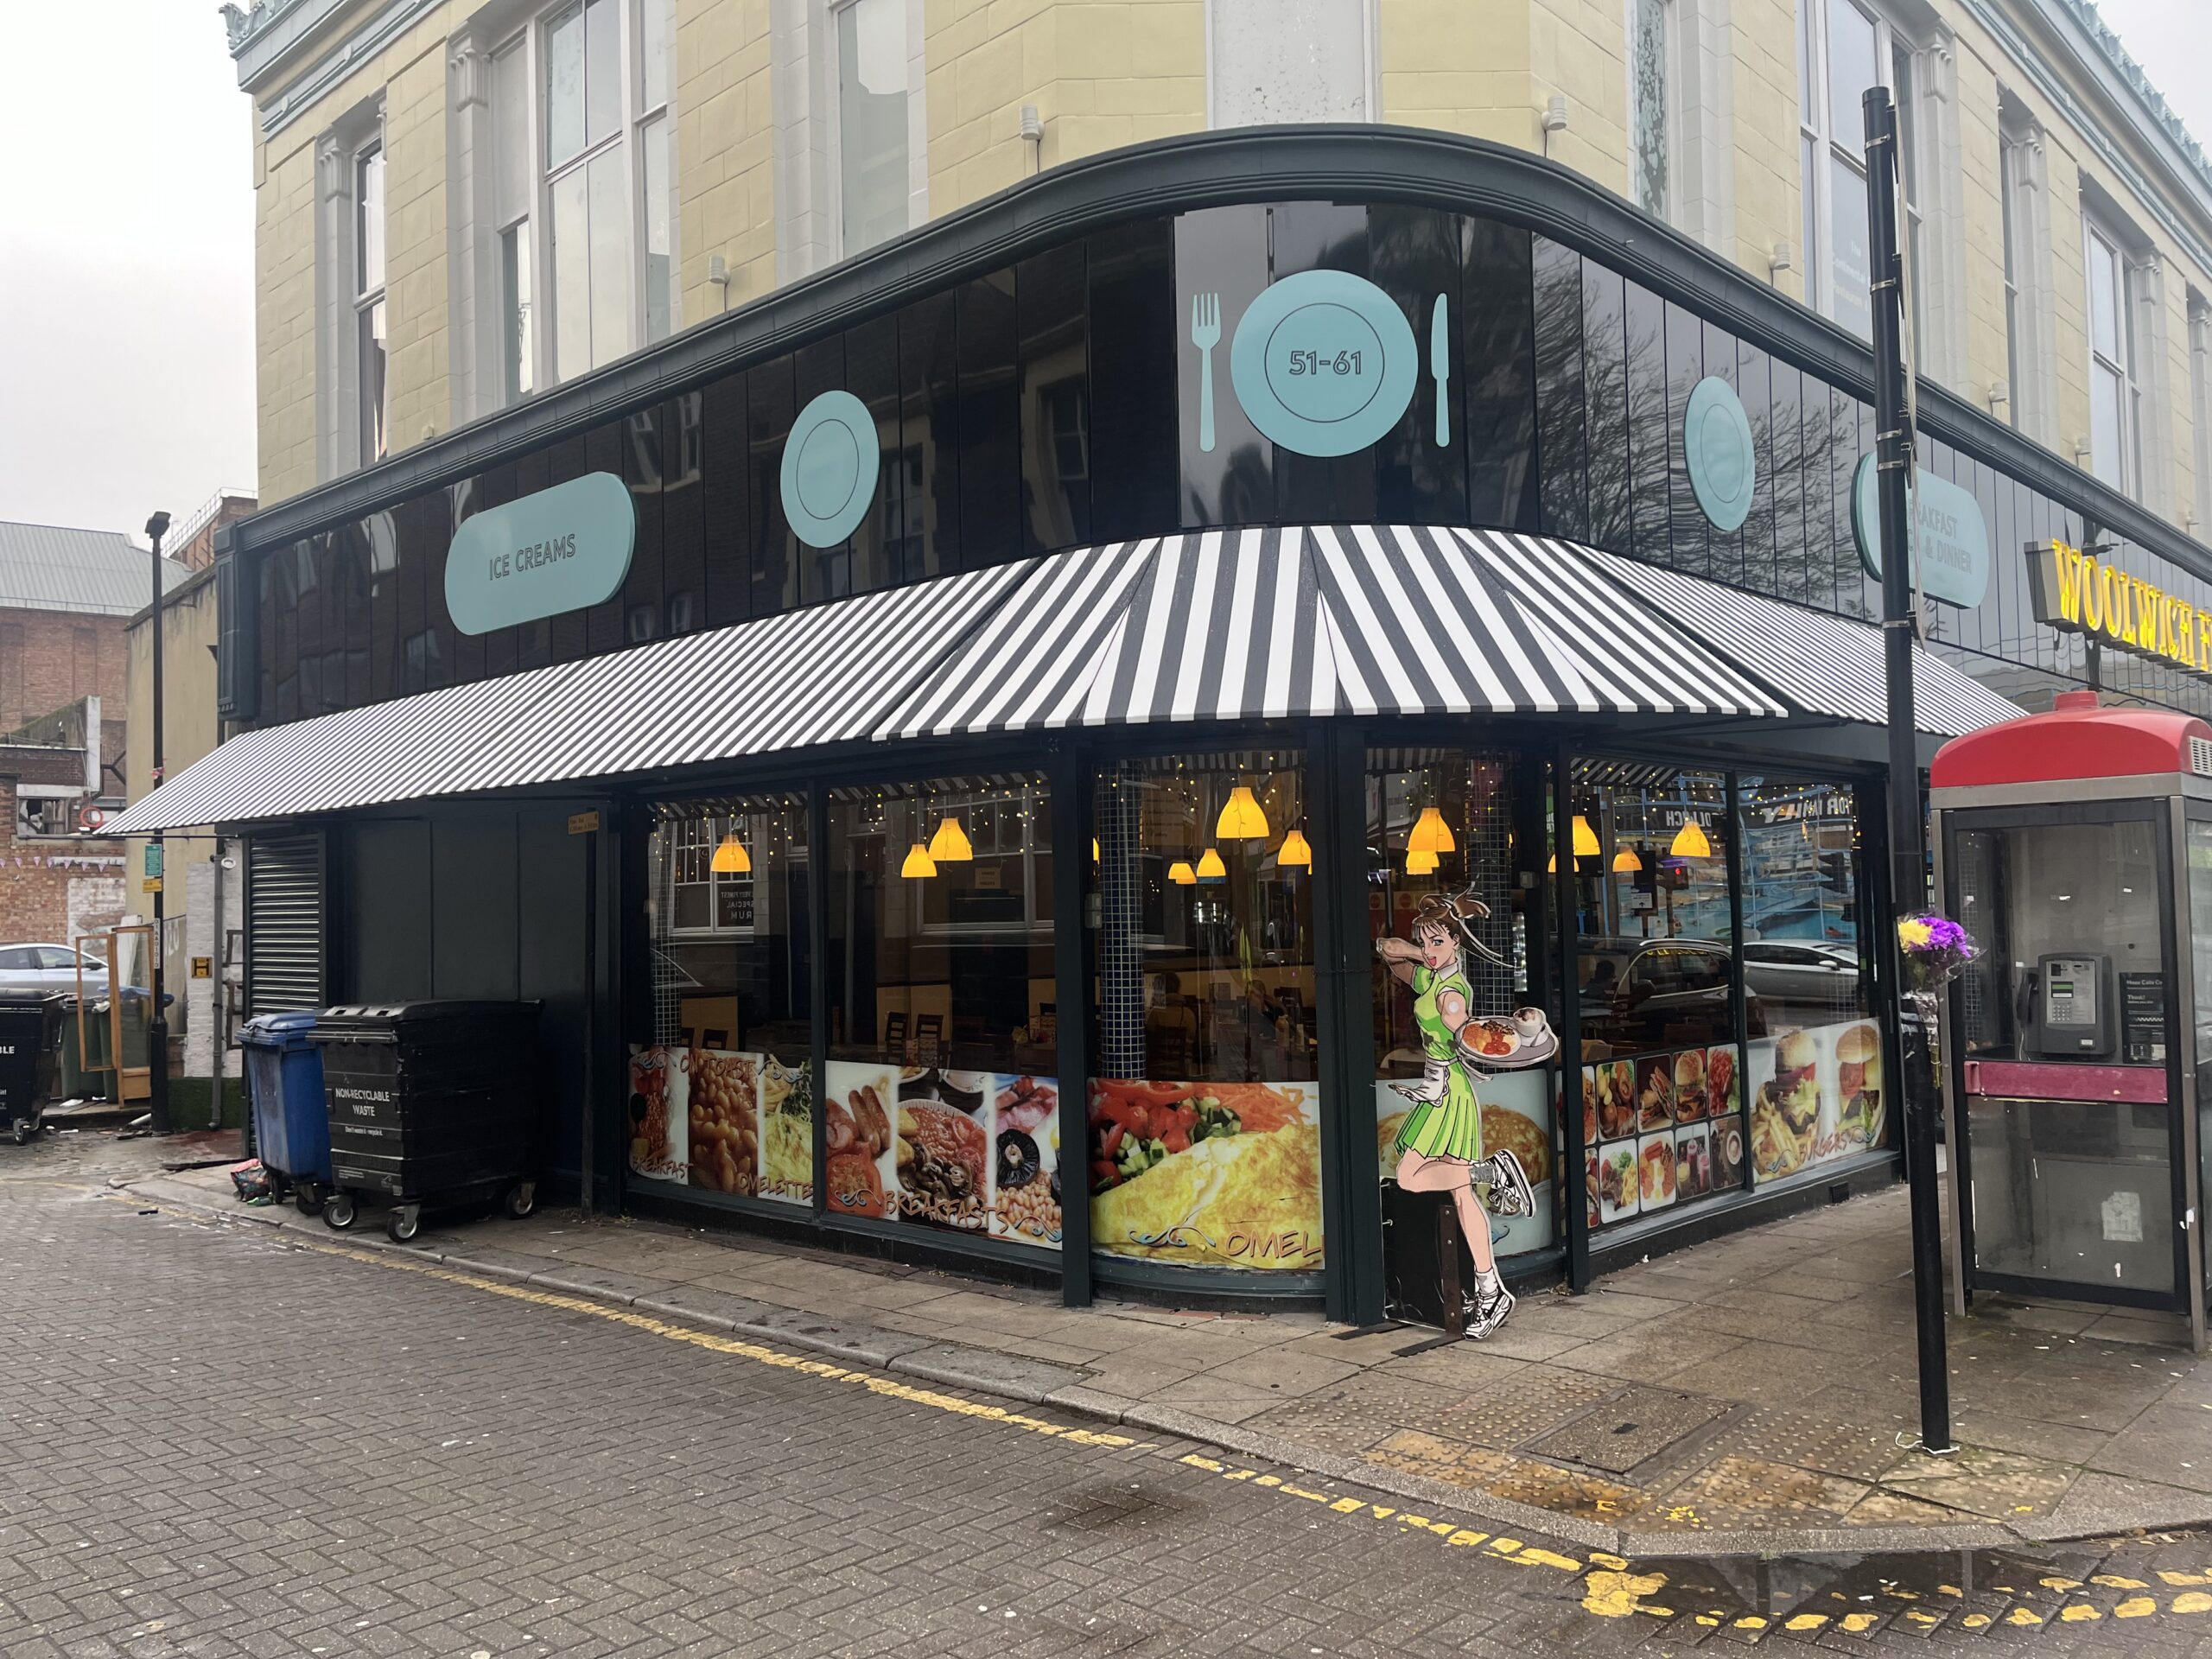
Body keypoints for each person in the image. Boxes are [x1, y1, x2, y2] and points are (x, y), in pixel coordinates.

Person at [1376, 889, 1537, 1339]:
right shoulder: (1429, 977)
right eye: (1425, 942)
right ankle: (1490, 1291)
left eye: (1439, 942)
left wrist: (1475, 1028)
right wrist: (1426, 948)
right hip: (1441, 1088)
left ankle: (1494, 1172)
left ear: (1457, 943)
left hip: (1448, 1090)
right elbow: (1386, 949)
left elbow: (1463, 1028)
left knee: (1410, 1176)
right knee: (1462, 1197)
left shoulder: (1449, 992)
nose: (1428, 950)